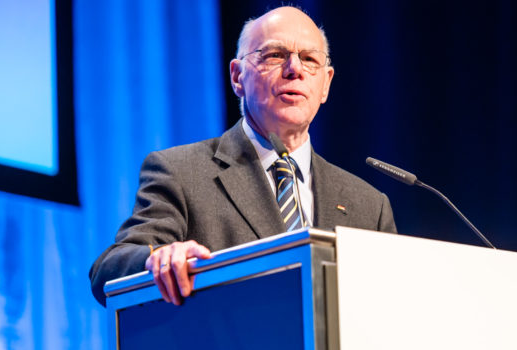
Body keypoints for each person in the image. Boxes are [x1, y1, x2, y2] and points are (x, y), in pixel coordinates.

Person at [89, 6, 396, 306]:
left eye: (309, 59)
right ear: (237, 77)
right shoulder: (180, 173)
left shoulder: (369, 206)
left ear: (325, 83)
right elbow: (109, 269)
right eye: (275, 55)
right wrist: (158, 259)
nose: (295, 69)